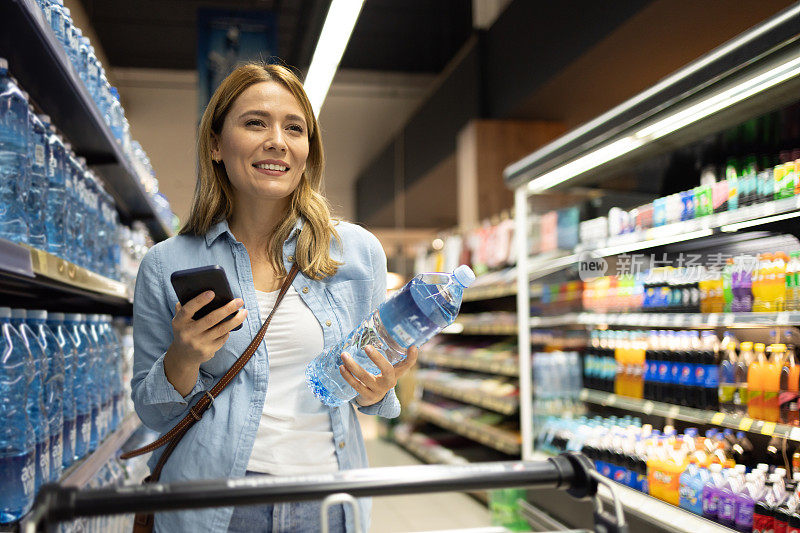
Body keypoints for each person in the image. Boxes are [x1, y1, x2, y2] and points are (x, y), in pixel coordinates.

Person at [130, 62, 419, 533]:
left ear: (308, 150)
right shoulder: (165, 264)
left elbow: (369, 396)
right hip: (214, 510)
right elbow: (152, 412)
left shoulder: (357, 253)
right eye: (255, 122)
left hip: (329, 504)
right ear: (216, 145)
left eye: (294, 128)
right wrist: (182, 358)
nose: (277, 141)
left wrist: (378, 387)